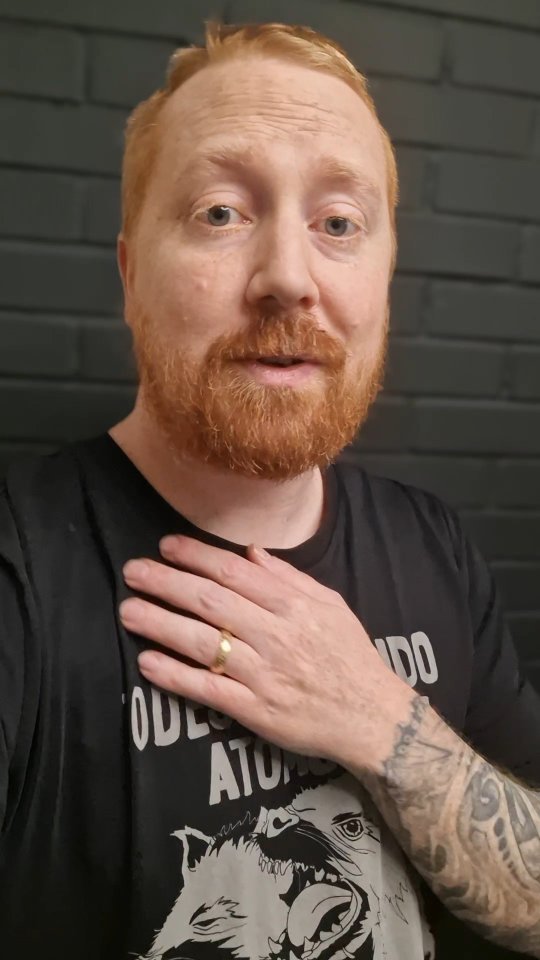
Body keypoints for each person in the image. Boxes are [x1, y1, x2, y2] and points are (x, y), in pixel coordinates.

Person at [0, 20, 539, 960]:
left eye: (339, 224)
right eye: (220, 212)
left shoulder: (435, 545)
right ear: (131, 275)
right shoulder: (20, 573)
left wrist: (381, 720)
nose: (289, 277)